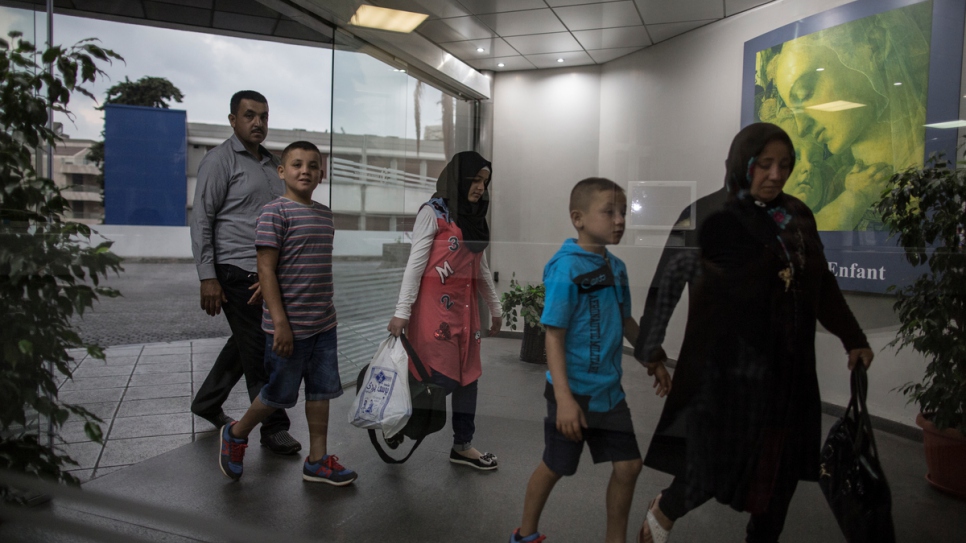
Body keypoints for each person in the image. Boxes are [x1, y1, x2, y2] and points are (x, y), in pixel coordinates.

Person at [637, 123, 875, 543]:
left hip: (788, 375)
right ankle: (666, 509)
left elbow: (821, 284)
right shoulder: (706, 215)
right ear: (740, 164)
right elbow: (666, 285)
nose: (776, 175)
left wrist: (853, 336)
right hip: (725, 375)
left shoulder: (798, 215)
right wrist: (652, 349)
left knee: (777, 476)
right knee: (712, 465)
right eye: (764, 165)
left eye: (784, 165)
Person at [511, 178, 671, 543]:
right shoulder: (566, 268)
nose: (619, 221)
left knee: (629, 466)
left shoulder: (617, 268)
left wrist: (653, 358)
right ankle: (525, 534)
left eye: (623, 213)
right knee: (556, 466)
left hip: (609, 393)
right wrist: (564, 399)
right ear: (578, 218)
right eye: (609, 212)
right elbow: (554, 334)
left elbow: (626, 320)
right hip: (574, 393)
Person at [219, 141, 356, 486]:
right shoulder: (274, 212)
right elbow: (265, 268)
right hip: (288, 327)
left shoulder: (325, 215)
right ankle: (236, 433)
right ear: (282, 172)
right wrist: (279, 322)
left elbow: (295, 263)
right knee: (279, 395)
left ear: (322, 174)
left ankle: (317, 460)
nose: (305, 171)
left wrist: (272, 282)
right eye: (296, 164)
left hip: (324, 323)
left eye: (312, 165)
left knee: (321, 392)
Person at [190, 90, 299, 455]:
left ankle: (207, 401)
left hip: (266, 271)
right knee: (261, 348)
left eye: (264, 116)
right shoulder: (219, 160)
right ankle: (274, 426)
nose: (258, 123)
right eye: (249, 115)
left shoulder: (271, 163)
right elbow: (202, 218)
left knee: (244, 342)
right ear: (233, 120)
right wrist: (208, 276)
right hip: (236, 270)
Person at [387, 151, 502, 470]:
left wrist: (495, 306)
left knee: (469, 377)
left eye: (485, 181)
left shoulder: (474, 215)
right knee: (437, 379)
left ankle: (462, 445)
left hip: (466, 316)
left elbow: (478, 266)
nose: (480, 187)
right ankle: (398, 421)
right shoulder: (433, 213)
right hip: (434, 315)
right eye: (475, 179)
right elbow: (415, 264)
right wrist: (402, 311)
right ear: (459, 178)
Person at [773, 4, 929, 231]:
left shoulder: (925, 161)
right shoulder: (840, 183)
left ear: (873, 46)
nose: (801, 127)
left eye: (805, 94)